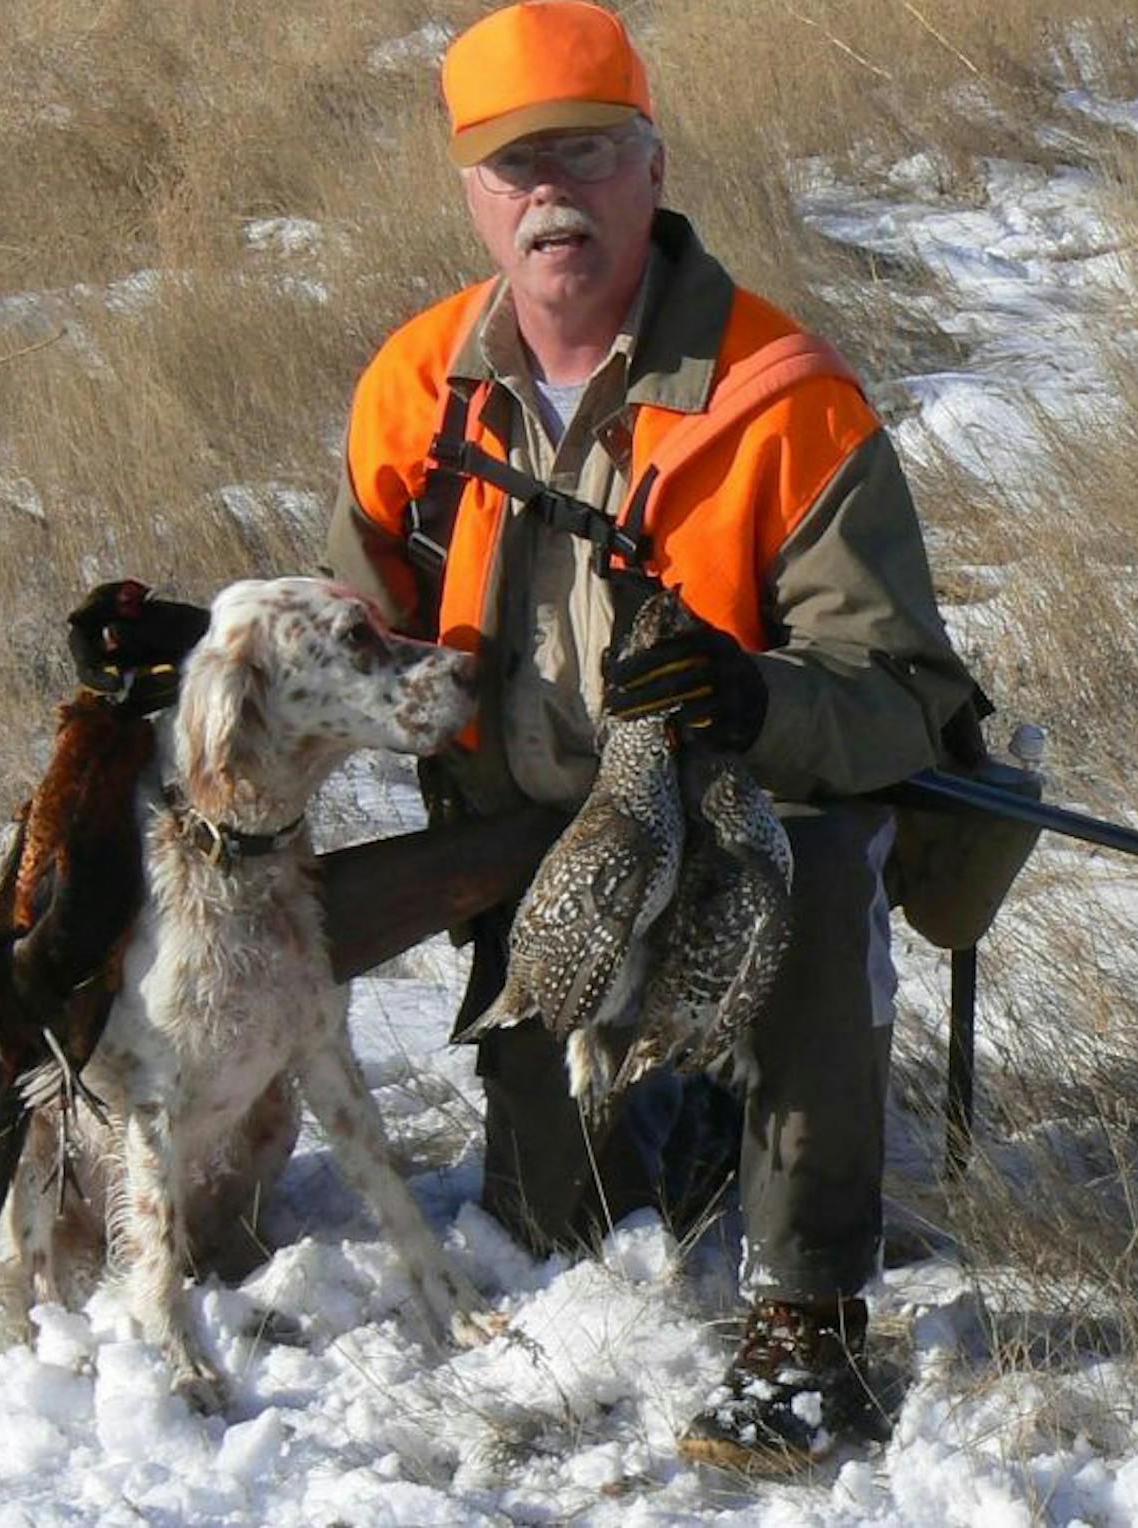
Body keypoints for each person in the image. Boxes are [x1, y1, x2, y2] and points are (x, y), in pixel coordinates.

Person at [319, 1, 980, 1470]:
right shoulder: (415, 389)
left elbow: (907, 698)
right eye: (515, 164)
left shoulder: (784, 400)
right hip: (528, 855)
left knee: (817, 859)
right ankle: (668, 1116)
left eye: (590, 153)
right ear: (474, 194)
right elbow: (364, 640)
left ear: (654, 163)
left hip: (734, 836)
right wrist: (217, 666)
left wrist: (754, 701)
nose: (553, 192)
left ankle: (813, 1321)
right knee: (558, 1227)